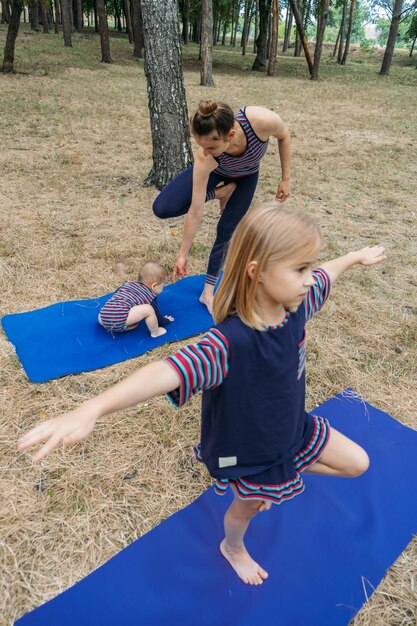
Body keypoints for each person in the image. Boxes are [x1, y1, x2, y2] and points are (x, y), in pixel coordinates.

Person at [18, 203, 386, 586]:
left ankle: (285, 474)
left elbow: (327, 274)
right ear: (256, 272)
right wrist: (92, 407)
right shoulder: (227, 344)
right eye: (299, 270)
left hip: (294, 432)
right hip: (252, 454)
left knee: (357, 463)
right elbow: (167, 370)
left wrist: (355, 257)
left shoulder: (297, 306)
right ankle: (233, 548)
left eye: (310, 267)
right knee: (243, 512)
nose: (310, 279)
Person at [152, 100, 292, 313]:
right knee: (162, 207)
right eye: (201, 145)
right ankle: (220, 192)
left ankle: (208, 292)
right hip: (218, 173)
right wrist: (183, 253)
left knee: (226, 230)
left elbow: (284, 136)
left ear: (231, 136)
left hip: (246, 176)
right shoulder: (205, 158)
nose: (205, 152)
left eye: (211, 147)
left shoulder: (261, 122)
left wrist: (285, 178)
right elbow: (196, 210)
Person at [98, 262, 174, 338]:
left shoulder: (128, 284)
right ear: (154, 286)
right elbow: (157, 316)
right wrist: (166, 321)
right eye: (163, 285)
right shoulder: (150, 296)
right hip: (119, 320)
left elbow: (117, 293)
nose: (163, 288)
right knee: (149, 309)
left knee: (116, 306)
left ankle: (119, 325)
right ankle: (155, 332)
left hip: (103, 317)